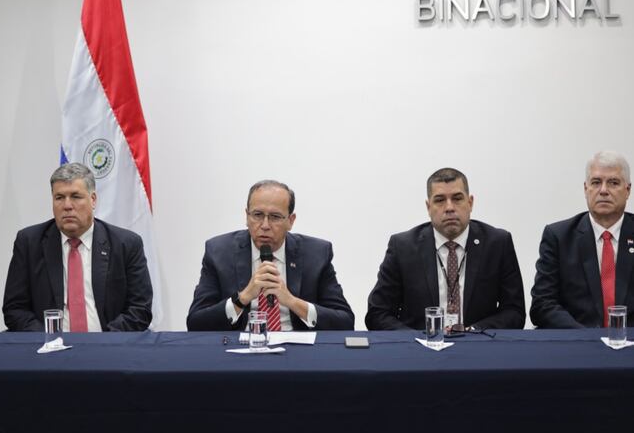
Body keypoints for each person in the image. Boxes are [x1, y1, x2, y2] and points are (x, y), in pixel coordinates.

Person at [365, 168, 525, 331]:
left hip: (478, 346)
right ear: (428, 207)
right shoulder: (402, 247)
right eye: (440, 200)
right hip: (419, 350)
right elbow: (377, 313)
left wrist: (474, 331)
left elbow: (514, 312)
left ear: (470, 203)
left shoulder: (497, 243)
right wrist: (419, 338)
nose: (449, 207)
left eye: (457, 198)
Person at [2, 163, 152, 331]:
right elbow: (14, 309)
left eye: (75, 196)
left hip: (109, 347)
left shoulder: (126, 244)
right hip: (49, 350)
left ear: (93, 199)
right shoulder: (29, 243)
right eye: (59, 197)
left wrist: (104, 342)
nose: (67, 205)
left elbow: (140, 310)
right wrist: (50, 339)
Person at [187, 180, 354, 331]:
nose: (265, 225)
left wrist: (292, 301)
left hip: (296, 350)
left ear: (291, 221)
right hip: (241, 348)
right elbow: (195, 323)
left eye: (275, 217)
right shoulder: (219, 252)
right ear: (247, 216)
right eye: (257, 215)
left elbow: (345, 321)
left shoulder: (316, 254)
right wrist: (243, 298)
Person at [531, 151, 634, 328]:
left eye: (613, 183)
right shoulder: (558, 236)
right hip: (578, 345)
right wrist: (586, 337)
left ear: (628, 190)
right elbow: (542, 304)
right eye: (596, 183)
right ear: (586, 189)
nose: (603, 190)